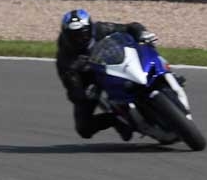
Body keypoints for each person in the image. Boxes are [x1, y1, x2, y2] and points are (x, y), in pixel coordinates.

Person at [56, 9, 159, 141]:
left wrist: (142, 34)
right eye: (73, 35)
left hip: (114, 63)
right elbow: (73, 89)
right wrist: (81, 93)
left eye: (82, 34)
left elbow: (130, 27)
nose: (79, 39)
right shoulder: (64, 58)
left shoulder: (100, 28)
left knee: (146, 50)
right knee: (83, 128)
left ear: (90, 29)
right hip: (91, 81)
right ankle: (116, 119)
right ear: (66, 35)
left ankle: (164, 77)